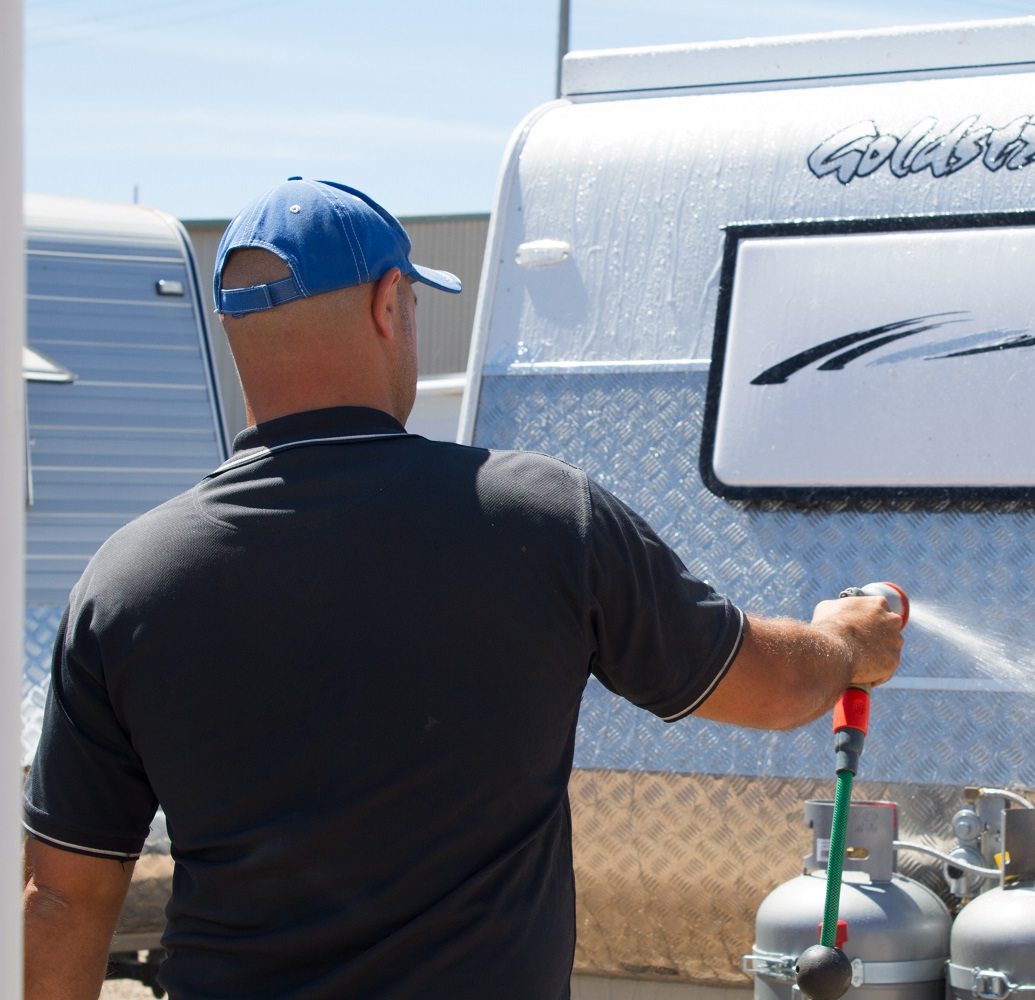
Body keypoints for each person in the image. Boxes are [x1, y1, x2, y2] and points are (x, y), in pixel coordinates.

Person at [21, 177, 904, 999]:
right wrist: (845, 642)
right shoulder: (541, 517)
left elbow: (59, 899)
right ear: (386, 305)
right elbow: (772, 688)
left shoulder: (126, 581)